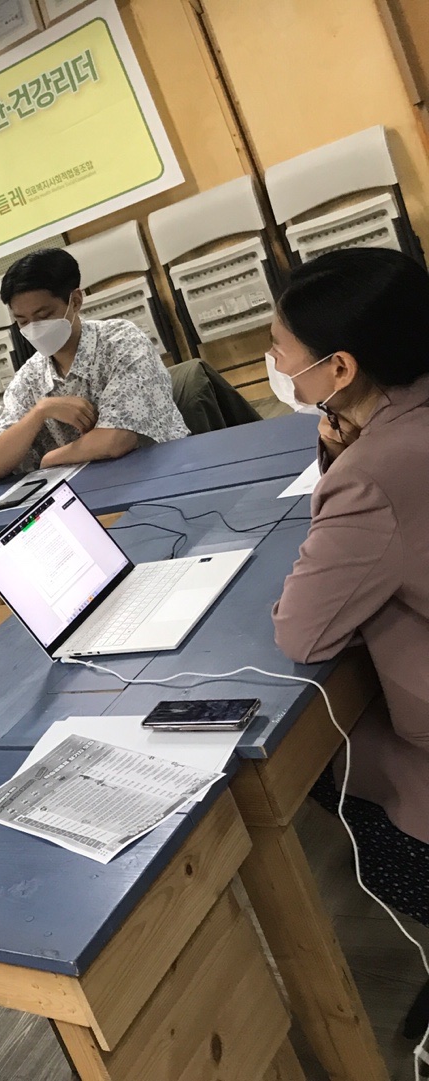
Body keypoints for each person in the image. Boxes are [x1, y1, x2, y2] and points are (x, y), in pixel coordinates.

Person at [266, 248, 429, 1034]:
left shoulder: (374, 471)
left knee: (313, 770)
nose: (274, 365)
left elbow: (303, 629)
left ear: (339, 368)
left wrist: (340, 468)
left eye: (281, 352)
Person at [0, 248, 189, 481]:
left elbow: (116, 440)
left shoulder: (122, 342)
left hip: (165, 473)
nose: (34, 328)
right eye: (23, 321)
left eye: (44, 316)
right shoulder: (30, 377)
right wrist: (41, 411)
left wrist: (50, 460)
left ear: (76, 301)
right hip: (96, 486)